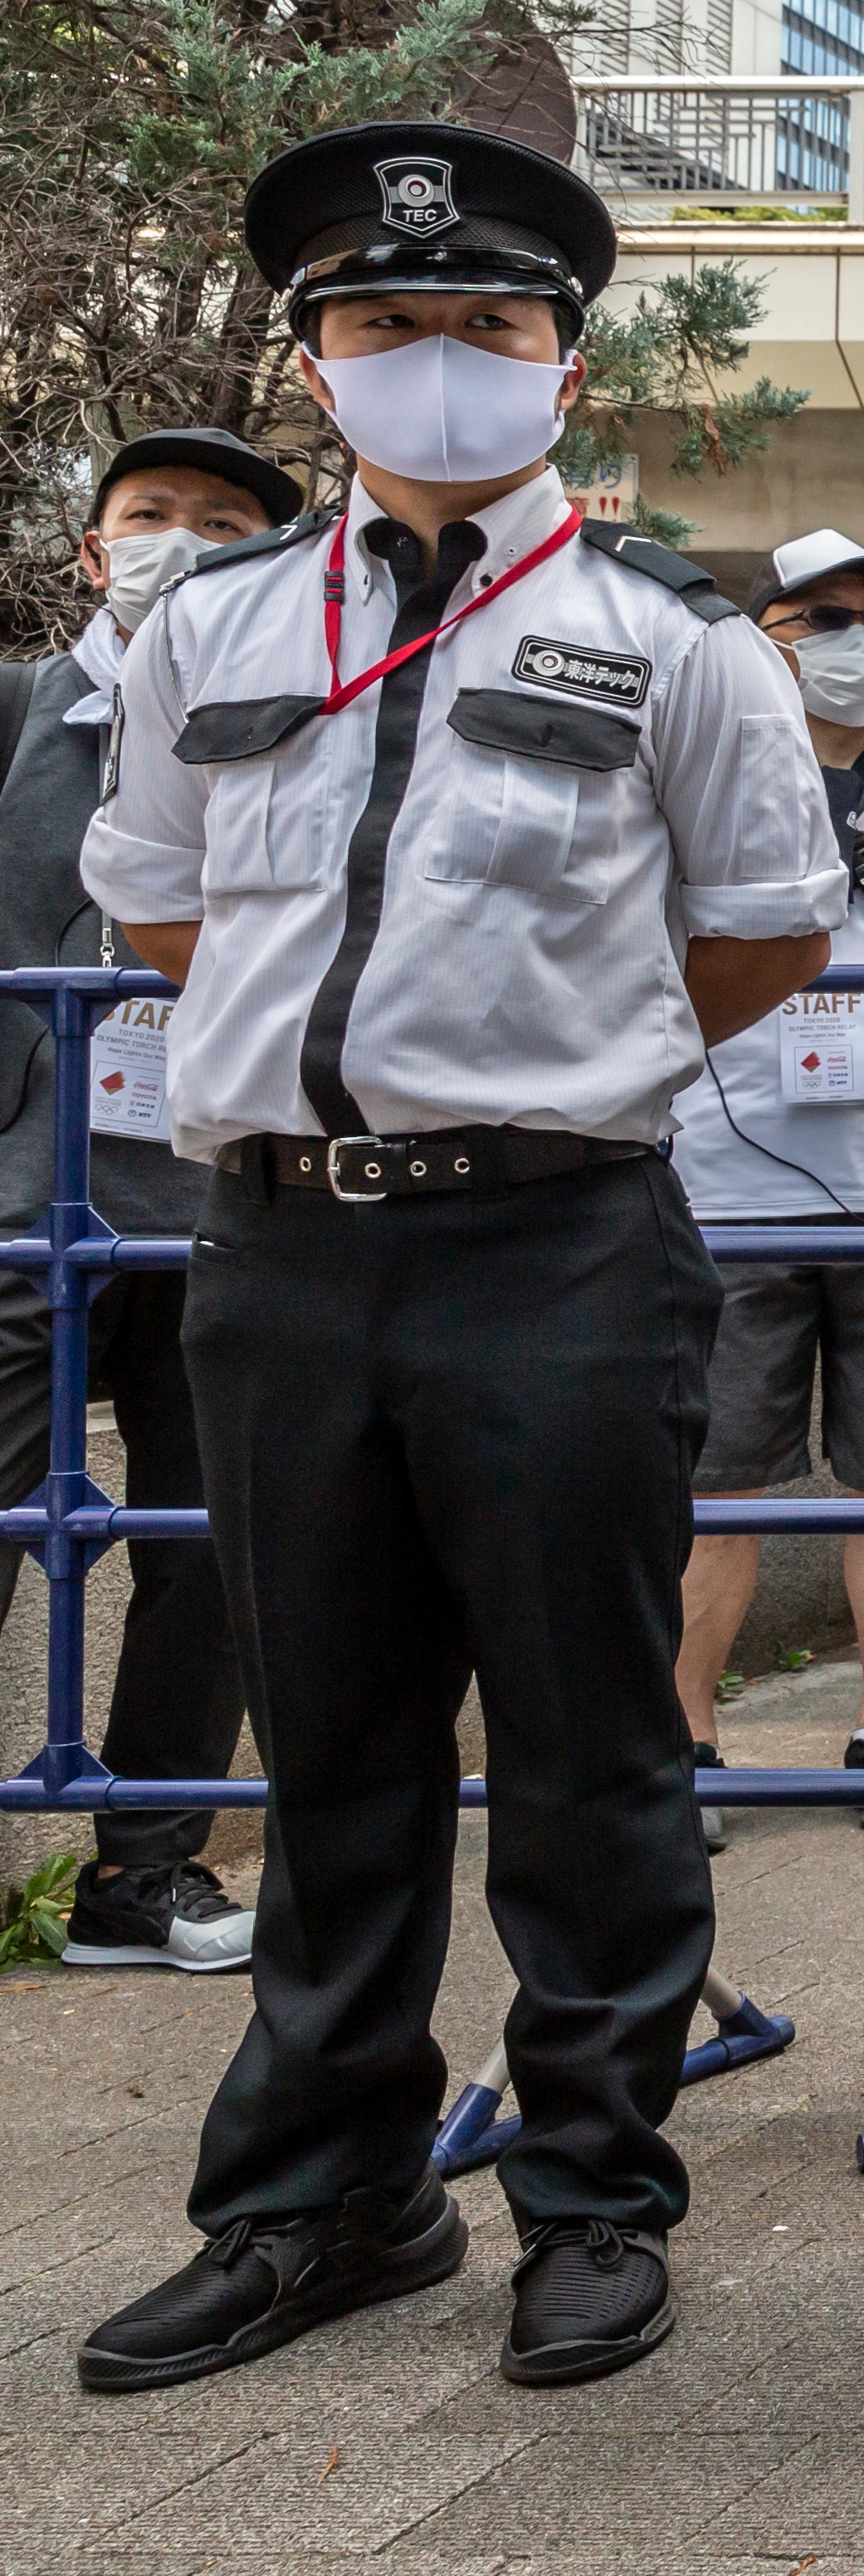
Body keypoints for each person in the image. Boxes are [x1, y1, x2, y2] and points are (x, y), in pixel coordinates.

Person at [73, 124, 845, 2395]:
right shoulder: (208, 629)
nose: (438, 363)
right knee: (329, 1745)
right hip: (286, 1251)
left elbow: (768, 925)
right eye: (387, 324)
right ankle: (323, 2197)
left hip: (557, 1244)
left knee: (595, 1747)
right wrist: (337, 1069)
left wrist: (545, 1061)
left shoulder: (669, 641)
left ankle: (597, 2197)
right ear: (314, 360)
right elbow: (160, 892)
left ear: (562, 363)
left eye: (488, 327)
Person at [0, 428, 292, 1970]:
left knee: (207, 1545)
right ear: (94, 546)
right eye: (151, 514)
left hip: (207, 1193)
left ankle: (144, 1873)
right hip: (17, 1196)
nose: (180, 538)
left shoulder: (293, 720)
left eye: (220, 520)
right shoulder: (13, 707)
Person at [667, 531, 864, 1844]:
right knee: (711, 1477)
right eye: (821, 618)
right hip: (719, 1190)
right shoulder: (704, 770)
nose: (857, 643)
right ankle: (688, 1746)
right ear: (759, 638)